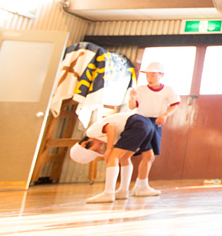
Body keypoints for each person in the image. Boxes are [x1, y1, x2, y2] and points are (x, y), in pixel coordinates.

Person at [69, 110, 158, 203]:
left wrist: (109, 149)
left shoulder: (91, 132)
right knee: (124, 158)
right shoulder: (102, 137)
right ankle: (123, 191)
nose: (100, 149)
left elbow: (110, 127)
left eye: (95, 150)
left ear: (84, 144)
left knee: (113, 157)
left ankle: (108, 193)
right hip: (145, 123)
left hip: (135, 123)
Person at [127, 61, 180, 196]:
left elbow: (175, 105)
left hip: (156, 122)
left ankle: (140, 186)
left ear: (161, 75)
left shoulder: (168, 90)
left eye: (153, 75)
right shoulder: (140, 89)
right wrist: (132, 98)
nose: (149, 79)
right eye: (147, 76)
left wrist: (165, 115)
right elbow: (132, 107)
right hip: (141, 122)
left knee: (149, 157)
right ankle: (139, 187)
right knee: (147, 155)